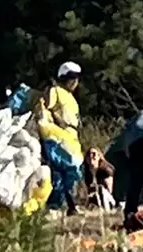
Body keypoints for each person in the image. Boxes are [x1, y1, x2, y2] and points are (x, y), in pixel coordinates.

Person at [35, 61, 85, 216]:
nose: (75, 81)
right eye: (72, 77)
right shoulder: (55, 91)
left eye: (77, 78)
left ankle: (69, 205)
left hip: (71, 137)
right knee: (65, 168)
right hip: (57, 136)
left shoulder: (72, 98)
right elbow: (44, 108)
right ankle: (55, 205)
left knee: (72, 172)